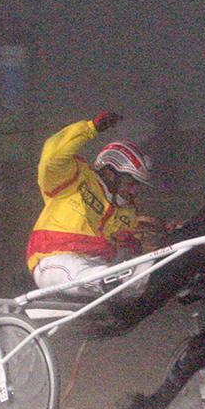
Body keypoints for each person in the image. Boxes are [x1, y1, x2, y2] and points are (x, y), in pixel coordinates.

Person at [26, 111, 161, 298]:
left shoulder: (128, 213)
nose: (134, 191)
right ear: (110, 173)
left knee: (154, 270)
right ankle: (107, 283)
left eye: (137, 186)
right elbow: (52, 155)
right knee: (98, 277)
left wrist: (133, 246)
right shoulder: (73, 176)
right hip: (55, 261)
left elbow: (122, 255)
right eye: (131, 183)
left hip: (100, 268)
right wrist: (90, 128)